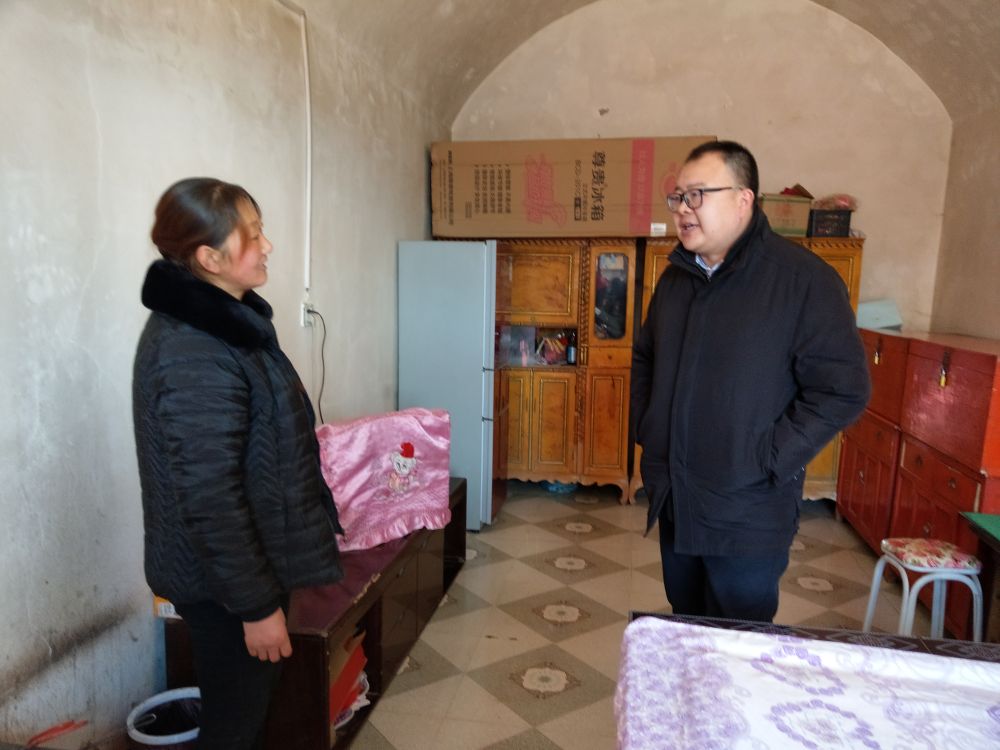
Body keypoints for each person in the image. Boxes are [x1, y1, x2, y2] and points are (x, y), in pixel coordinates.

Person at [132, 178, 344, 749]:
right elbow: (210, 496)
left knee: (245, 712)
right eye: (252, 235)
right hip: (223, 584)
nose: (267, 245)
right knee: (234, 725)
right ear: (209, 258)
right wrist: (255, 608)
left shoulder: (227, 326)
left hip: (245, 566)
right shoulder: (192, 350)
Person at [630, 141, 870, 623]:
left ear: (744, 199)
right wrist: (650, 428)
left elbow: (842, 389)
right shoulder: (676, 280)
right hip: (677, 498)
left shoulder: (802, 281)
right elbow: (646, 358)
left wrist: (767, 458)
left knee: (738, 639)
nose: (683, 209)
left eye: (697, 195)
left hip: (747, 512)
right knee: (686, 626)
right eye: (677, 197)